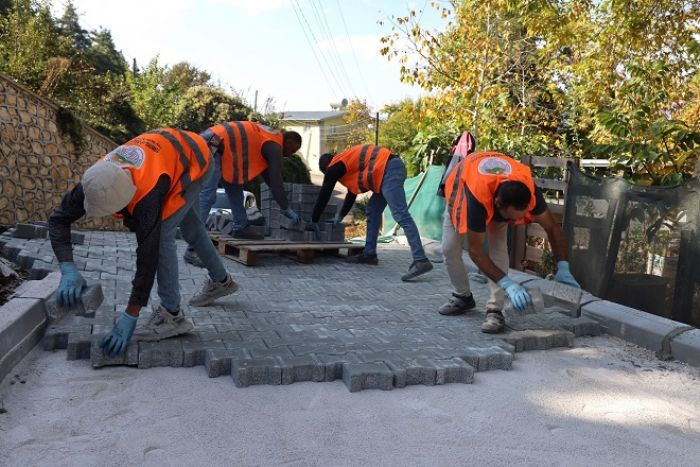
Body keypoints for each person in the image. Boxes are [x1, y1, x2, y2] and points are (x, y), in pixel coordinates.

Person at [49, 128, 239, 357]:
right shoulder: (95, 180)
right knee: (192, 229)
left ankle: (172, 315)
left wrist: (131, 313)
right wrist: (67, 268)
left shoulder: (148, 197)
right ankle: (222, 281)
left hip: (196, 160)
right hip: (172, 153)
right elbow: (58, 220)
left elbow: (148, 256)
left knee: (163, 234)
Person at [440, 151, 581, 333]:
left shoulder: (529, 191)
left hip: (495, 194)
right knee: (449, 248)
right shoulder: (476, 197)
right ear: (498, 203)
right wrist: (508, 284)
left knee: (498, 248)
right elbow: (476, 251)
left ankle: (495, 310)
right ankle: (462, 296)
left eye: (519, 218)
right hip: (463, 191)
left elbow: (553, 228)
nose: (514, 222)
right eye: (510, 218)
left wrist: (563, 267)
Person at [184, 121, 302, 267]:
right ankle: (192, 249)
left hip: (223, 148)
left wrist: (284, 204)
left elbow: (270, 179)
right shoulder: (275, 146)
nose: (289, 155)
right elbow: (276, 181)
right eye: (292, 150)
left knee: (235, 189)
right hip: (213, 143)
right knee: (208, 195)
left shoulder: (269, 140)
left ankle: (241, 226)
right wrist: (286, 209)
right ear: (289, 142)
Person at [310, 144, 433, 282]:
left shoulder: (335, 166)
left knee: (401, 215)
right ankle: (369, 254)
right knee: (373, 211)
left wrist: (314, 220)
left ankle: (421, 260)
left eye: (327, 175)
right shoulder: (346, 163)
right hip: (386, 172)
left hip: (389, 170)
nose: (332, 178)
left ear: (326, 168)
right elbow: (351, 194)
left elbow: (325, 193)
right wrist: (340, 216)